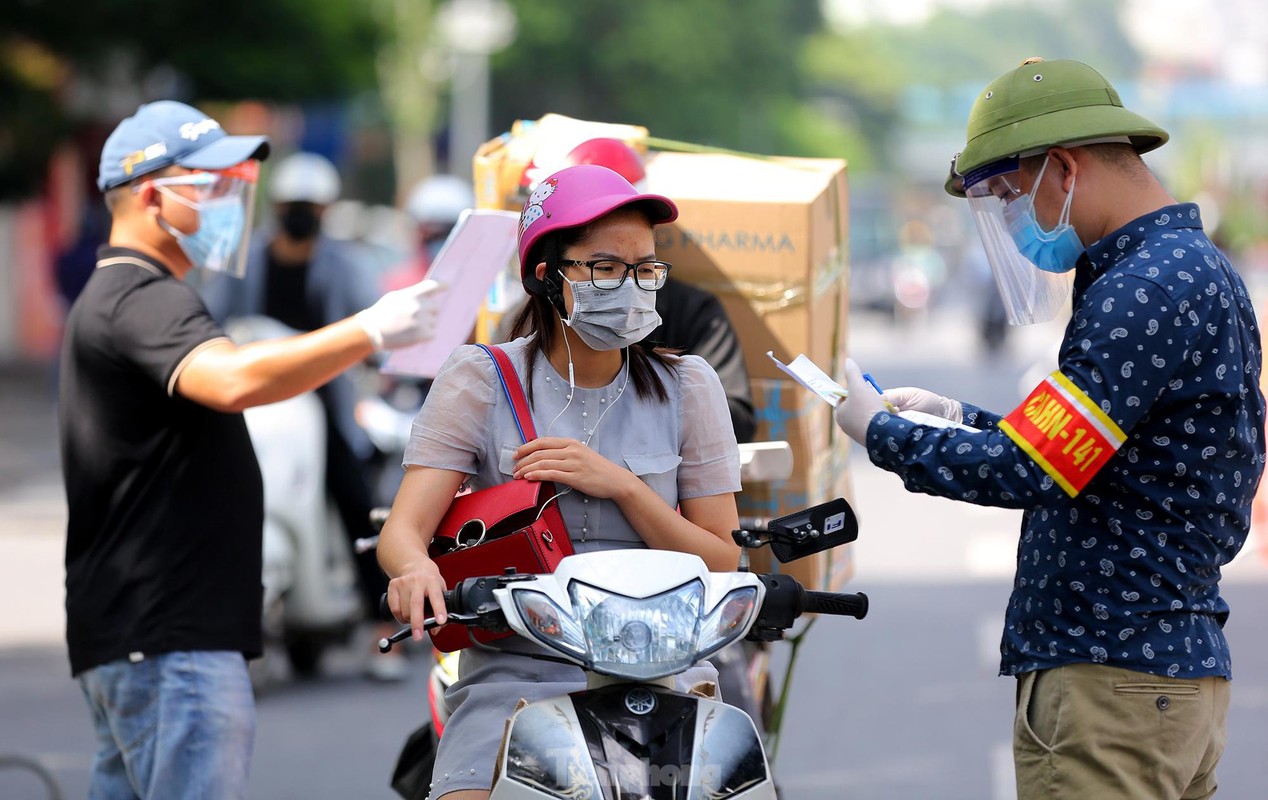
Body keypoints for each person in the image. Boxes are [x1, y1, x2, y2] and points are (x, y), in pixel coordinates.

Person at [832, 58, 1265, 799]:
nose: (1013, 218)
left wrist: (881, 435)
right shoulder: (1186, 269)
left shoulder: (1144, 288)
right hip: (1158, 677)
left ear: (1063, 169)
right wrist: (961, 419)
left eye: (1008, 194)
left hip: (1112, 682)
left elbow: (1027, 470)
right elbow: (1092, 456)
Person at [59, 100, 443, 799]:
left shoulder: (130, 293)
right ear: (151, 194)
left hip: (144, 636)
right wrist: (369, 331)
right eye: (210, 185)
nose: (229, 201)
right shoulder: (141, 298)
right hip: (170, 640)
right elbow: (232, 378)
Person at [377, 163, 742, 799]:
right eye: (604, 268)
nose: (629, 287)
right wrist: (415, 570)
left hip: (662, 674)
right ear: (548, 275)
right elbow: (403, 531)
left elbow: (721, 554)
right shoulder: (480, 379)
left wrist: (621, 486)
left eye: (644, 269)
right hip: (518, 669)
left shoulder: (690, 386)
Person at [196, 150, 408, 679]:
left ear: (325, 209)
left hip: (321, 410)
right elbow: (210, 322)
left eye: (309, 206)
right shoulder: (245, 259)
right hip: (256, 407)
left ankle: (385, 632)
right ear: (275, 205)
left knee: (358, 502)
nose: (300, 213)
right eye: (292, 204)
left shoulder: (346, 264)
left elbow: (372, 327)